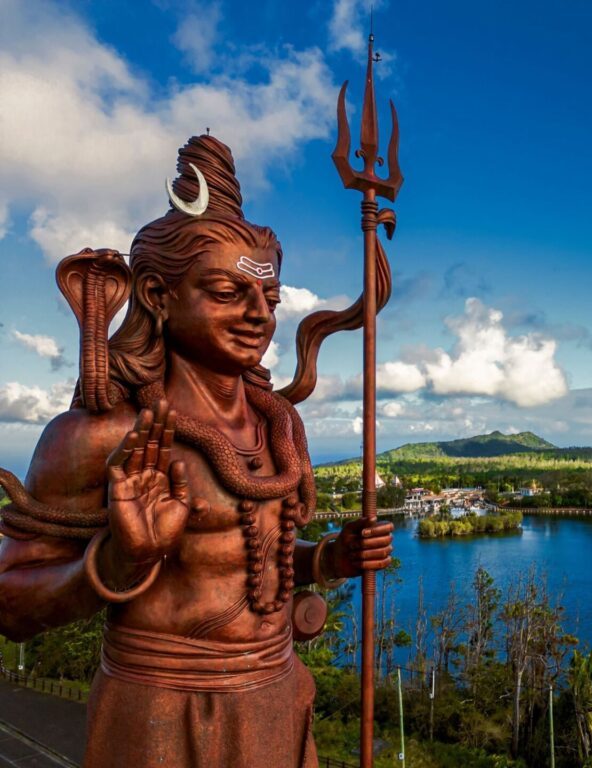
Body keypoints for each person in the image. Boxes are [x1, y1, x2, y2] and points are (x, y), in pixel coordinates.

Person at [0, 135, 393, 767]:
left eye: (269, 298)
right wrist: (117, 564)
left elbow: (242, 557)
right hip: (160, 712)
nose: (258, 316)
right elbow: (10, 603)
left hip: (278, 697)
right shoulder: (99, 436)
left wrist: (325, 559)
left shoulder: (279, 428)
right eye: (227, 293)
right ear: (157, 295)